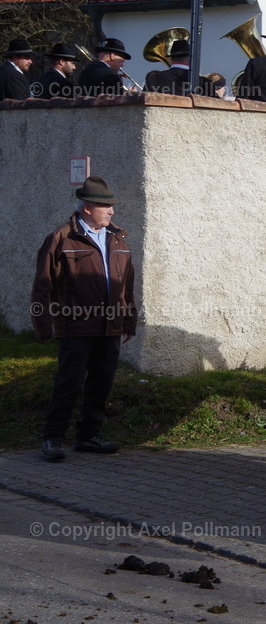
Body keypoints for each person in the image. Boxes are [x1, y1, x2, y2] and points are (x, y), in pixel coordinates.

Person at [32, 176, 138, 462]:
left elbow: (126, 285)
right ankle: (52, 437)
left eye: (112, 206)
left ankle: (88, 437)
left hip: (111, 325)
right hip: (75, 326)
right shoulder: (61, 238)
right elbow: (43, 285)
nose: (112, 211)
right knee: (69, 382)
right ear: (88, 207)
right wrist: (43, 325)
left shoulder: (118, 238)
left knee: (101, 382)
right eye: (106, 206)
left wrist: (128, 320)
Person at [143, 39, 214, 96]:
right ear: (191, 58)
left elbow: (144, 102)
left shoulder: (154, 78)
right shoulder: (205, 83)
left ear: (171, 58)